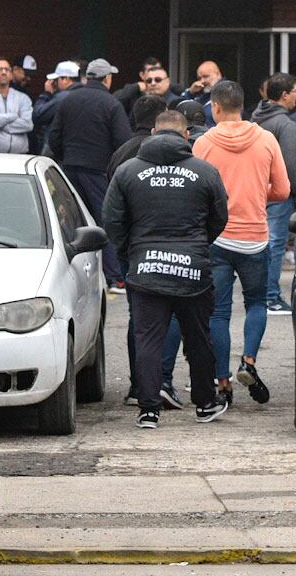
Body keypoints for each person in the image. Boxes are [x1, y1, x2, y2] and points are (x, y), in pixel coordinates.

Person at [102, 109, 229, 428]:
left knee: (147, 339)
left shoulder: (128, 172)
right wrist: (199, 244)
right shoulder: (206, 171)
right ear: (186, 135)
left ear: (153, 134)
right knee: (199, 338)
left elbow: (112, 220)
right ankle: (205, 403)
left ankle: (148, 409)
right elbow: (219, 217)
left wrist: (130, 254)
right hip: (194, 270)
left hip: (145, 268)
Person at [193, 80, 289, 405]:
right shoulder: (266, 139)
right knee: (257, 303)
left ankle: (222, 382)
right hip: (255, 238)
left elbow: (196, 189)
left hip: (217, 238)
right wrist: (260, 194)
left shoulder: (204, 143)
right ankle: (248, 361)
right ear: (243, 105)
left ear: (215, 107)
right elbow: (284, 190)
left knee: (218, 313)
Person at [110, 93, 182, 407]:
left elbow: (111, 209)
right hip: (172, 243)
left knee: (137, 317)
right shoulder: (174, 153)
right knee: (172, 312)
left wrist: (122, 245)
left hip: (133, 246)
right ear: (160, 122)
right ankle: (162, 380)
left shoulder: (120, 153)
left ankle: (138, 385)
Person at [47, 59, 134, 288]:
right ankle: (114, 276)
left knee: (75, 221)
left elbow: (54, 136)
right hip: (98, 171)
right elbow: (123, 142)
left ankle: (74, 275)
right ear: (106, 78)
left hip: (70, 169)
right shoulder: (111, 103)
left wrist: (65, 157)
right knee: (105, 220)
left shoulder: (68, 100)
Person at [250, 73, 296, 315]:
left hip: (258, 189)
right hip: (279, 193)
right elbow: (292, 162)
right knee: (275, 244)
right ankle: (271, 297)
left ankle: (262, 294)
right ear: (284, 95)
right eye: (295, 91)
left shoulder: (257, 118)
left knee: (264, 244)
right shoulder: (286, 124)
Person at [32, 60, 80, 155]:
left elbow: (38, 115)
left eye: (56, 80)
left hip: (59, 151)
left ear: (65, 79)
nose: (54, 83)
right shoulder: (85, 94)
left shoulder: (62, 97)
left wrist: (46, 94)